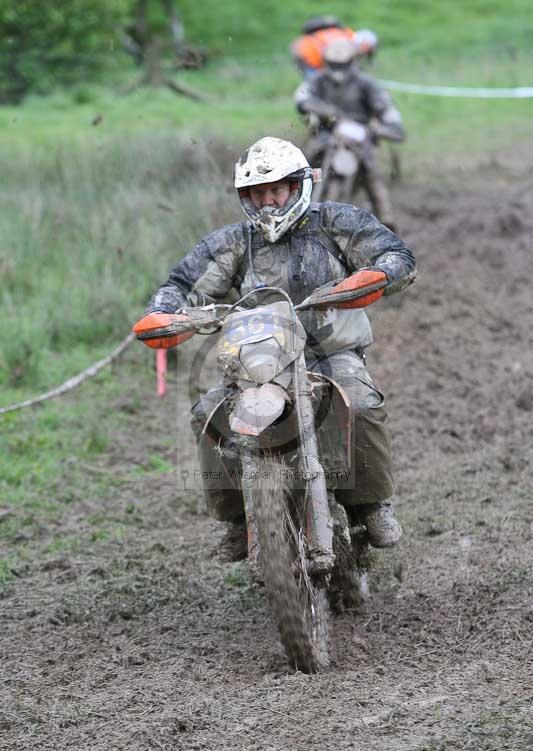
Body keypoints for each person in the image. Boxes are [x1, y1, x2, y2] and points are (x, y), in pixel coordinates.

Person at [135, 137, 416, 560]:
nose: (268, 200)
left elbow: (394, 253)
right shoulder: (233, 242)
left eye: (276, 190)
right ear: (245, 197)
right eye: (258, 193)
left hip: (330, 352)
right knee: (208, 414)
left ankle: (371, 502)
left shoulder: (335, 222)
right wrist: (166, 314)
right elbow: (181, 286)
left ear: (297, 186)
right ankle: (239, 518)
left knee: (359, 403)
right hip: (258, 361)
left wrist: (374, 276)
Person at [295, 38, 404, 230]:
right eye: (334, 64)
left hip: (359, 139)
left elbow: (387, 110)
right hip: (325, 136)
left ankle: (386, 218)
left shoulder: (366, 84)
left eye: (342, 64)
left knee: (372, 171)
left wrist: (384, 127)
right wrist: (328, 112)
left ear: (353, 61)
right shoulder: (318, 80)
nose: (338, 69)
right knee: (303, 166)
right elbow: (302, 98)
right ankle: (294, 205)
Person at [291, 15, 378, 77]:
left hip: (303, 50)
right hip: (308, 56)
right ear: (365, 44)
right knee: (318, 89)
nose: (366, 52)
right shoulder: (345, 43)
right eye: (369, 49)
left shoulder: (346, 34)